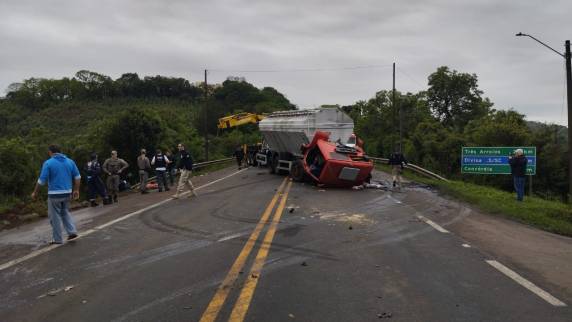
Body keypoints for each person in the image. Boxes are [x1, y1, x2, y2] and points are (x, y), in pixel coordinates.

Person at [31, 145, 80, 244]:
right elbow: (78, 177)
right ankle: (72, 232)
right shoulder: (70, 161)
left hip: (54, 194)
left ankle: (57, 239)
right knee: (64, 212)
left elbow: (41, 181)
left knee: (54, 216)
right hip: (67, 193)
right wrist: (76, 190)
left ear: (50, 152)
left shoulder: (48, 163)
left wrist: (35, 192)